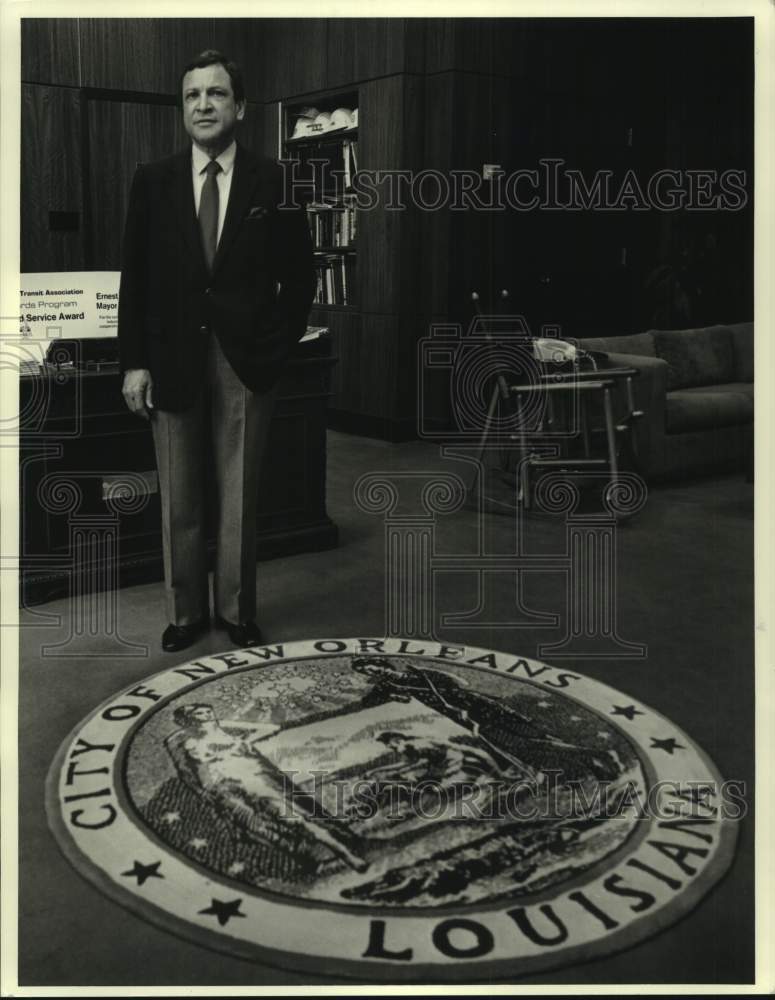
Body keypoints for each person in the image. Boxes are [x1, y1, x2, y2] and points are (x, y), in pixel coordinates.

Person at [118, 50, 315, 652]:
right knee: (179, 495)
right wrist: (134, 361)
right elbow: (137, 278)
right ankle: (185, 614)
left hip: (246, 360)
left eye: (216, 94)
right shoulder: (152, 181)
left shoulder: (273, 180)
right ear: (183, 108)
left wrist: (276, 349)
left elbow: (301, 277)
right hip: (171, 357)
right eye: (193, 95)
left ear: (241, 107)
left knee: (239, 495)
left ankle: (235, 610)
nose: (203, 105)